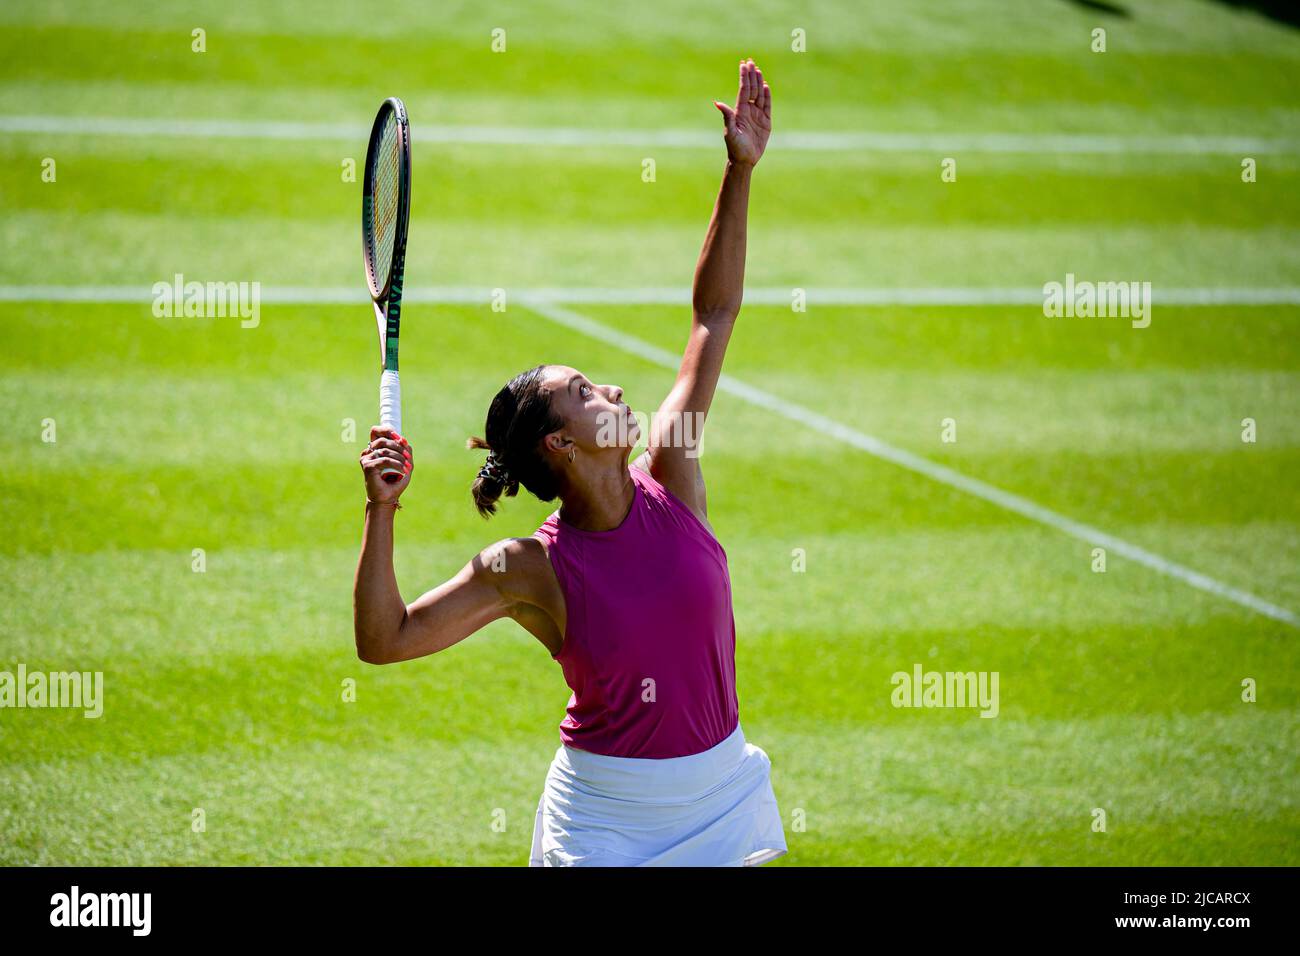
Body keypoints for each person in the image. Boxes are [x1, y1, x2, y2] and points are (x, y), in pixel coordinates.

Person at [354, 59, 785, 866]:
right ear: (560, 443)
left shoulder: (674, 471)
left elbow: (713, 316)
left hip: (722, 801)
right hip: (606, 827)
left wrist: (739, 171)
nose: (612, 386)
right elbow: (386, 640)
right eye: (585, 391)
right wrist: (382, 514)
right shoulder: (528, 568)